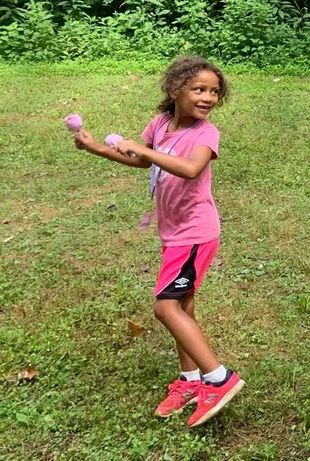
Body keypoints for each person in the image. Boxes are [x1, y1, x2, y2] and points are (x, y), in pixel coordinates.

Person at [71, 56, 244, 427]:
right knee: (183, 310)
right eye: (199, 89)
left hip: (195, 235)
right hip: (174, 232)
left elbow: (190, 168)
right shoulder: (162, 124)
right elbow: (142, 162)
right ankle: (190, 380)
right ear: (175, 90)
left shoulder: (205, 134)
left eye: (214, 92)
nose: (208, 97)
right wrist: (96, 147)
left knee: (166, 309)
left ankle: (218, 378)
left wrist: (147, 151)